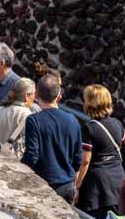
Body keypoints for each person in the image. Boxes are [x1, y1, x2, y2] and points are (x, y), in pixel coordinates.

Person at [21, 73, 83, 203]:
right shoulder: (73, 120)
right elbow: (78, 159)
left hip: (44, 184)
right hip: (67, 185)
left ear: (36, 95)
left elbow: (32, 156)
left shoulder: (34, 120)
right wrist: (73, 183)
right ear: (59, 97)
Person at [74, 84, 125, 219]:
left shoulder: (89, 128)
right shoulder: (117, 123)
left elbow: (85, 162)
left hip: (97, 188)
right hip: (118, 182)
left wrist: (76, 186)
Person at [0, 76, 35, 156]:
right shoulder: (29, 117)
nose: (34, 97)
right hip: (12, 161)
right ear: (26, 96)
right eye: (33, 94)